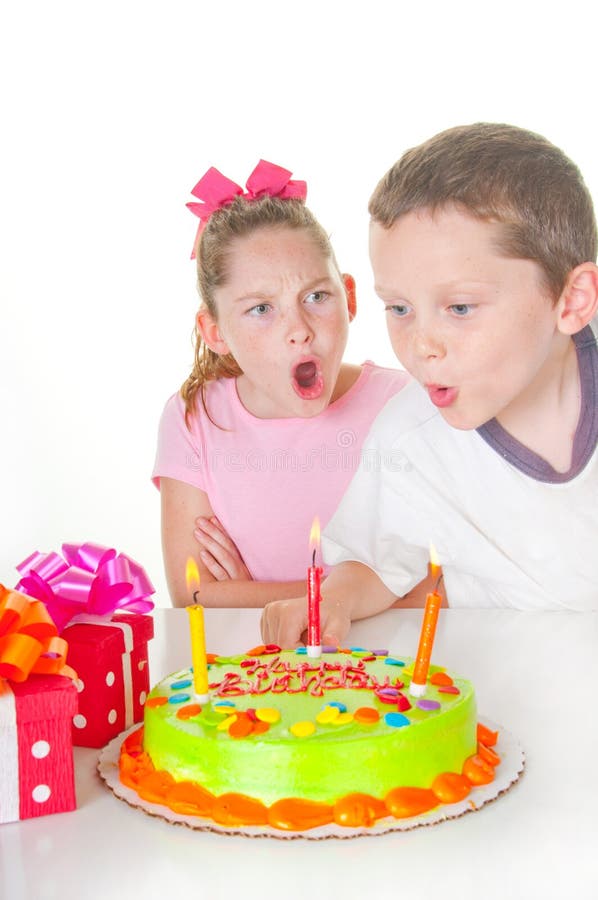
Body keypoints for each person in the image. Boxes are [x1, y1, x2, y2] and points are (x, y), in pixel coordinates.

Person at [261, 123, 598, 648]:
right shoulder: (409, 436)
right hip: (518, 687)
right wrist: (334, 601)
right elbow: (374, 562)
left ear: (572, 300)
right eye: (399, 309)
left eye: (459, 308)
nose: (421, 346)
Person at [153, 159, 409, 607]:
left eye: (316, 296)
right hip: (255, 668)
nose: (300, 329)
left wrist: (249, 594)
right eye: (261, 309)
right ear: (215, 331)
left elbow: (441, 589)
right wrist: (370, 592)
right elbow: (194, 598)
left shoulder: (405, 404)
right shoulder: (194, 419)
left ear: (348, 297)